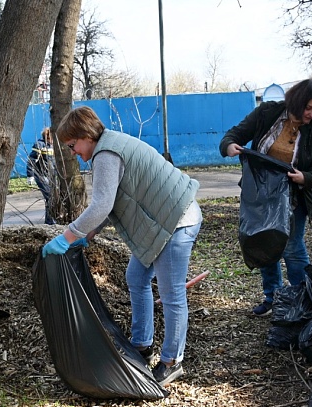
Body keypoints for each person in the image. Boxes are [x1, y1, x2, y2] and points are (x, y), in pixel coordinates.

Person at [42, 106, 202, 386]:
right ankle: (142, 343)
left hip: (177, 220)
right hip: (162, 221)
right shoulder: (108, 146)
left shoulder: (106, 153)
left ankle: (171, 361)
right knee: (136, 277)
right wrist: (88, 234)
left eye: (72, 144)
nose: (72, 152)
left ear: (85, 135)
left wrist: (67, 236)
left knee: (172, 293)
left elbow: (102, 204)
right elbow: (114, 200)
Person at [219, 79, 312, 316]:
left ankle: (302, 302)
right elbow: (234, 134)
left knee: (293, 248)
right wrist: (229, 146)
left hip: (294, 196)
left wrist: (304, 177)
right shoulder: (267, 112)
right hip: (260, 194)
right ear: (295, 102)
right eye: (308, 108)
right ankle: (273, 298)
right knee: (265, 242)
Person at [27, 127, 57, 224]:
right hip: (41, 175)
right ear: (48, 137)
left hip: (51, 176)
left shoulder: (53, 146)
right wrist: (30, 175)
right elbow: (32, 160)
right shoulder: (40, 145)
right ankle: (50, 221)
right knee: (50, 196)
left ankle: (49, 220)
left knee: (52, 197)